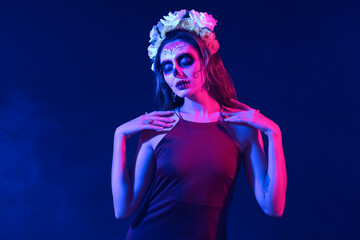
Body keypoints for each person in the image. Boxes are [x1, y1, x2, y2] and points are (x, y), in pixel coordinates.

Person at [111, 9, 287, 240]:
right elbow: (123, 209)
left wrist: (274, 133)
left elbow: (273, 207)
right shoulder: (157, 128)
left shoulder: (241, 129)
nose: (176, 72)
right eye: (167, 67)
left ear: (205, 60)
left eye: (185, 60)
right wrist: (119, 136)